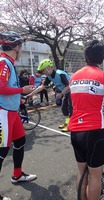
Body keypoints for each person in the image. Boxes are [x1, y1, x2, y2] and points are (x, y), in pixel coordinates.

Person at [68, 40, 104, 200]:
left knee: (81, 173)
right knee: (95, 176)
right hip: (94, 131)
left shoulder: (74, 77)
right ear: (102, 57)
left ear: (86, 56)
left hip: (75, 131)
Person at [0, 31, 37, 200]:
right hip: (3, 113)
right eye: (21, 46)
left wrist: (20, 99)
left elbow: (8, 88)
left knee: (20, 141)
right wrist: (21, 90)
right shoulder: (4, 62)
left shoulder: (9, 62)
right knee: (1, 152)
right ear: (15, 47)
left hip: (11, 112)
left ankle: (17, 175)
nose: (22, 49)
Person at [26, 59, 71, 132]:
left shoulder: (60, 74)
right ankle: (67, 122)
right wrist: (30, 94)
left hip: (72, 91)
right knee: (64, 108)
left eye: (43, 70)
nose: (43, 73)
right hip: (65, 92)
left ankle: (70, 125)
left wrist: (61, 93)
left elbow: (68, 85)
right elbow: (42, 87)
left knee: (70, 108)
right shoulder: (49, 77)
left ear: (48, 68)